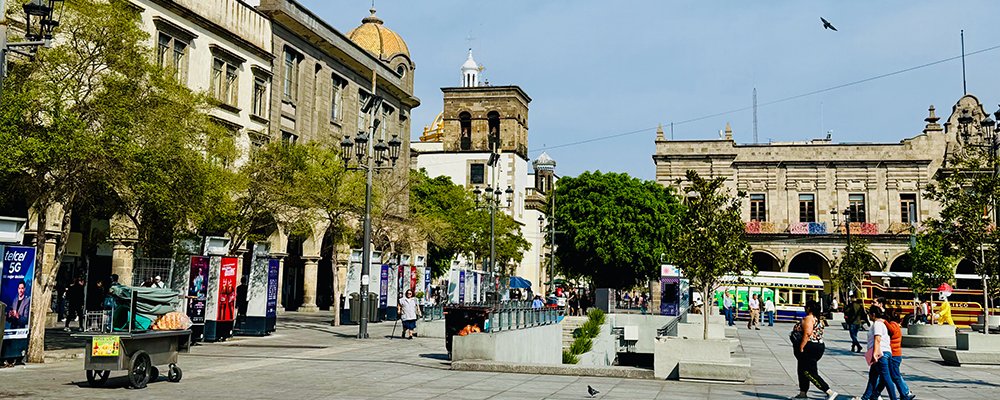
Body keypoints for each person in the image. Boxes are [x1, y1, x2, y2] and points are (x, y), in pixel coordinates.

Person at [791, 300, 838, 400]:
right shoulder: (818, 319)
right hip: (817, 346)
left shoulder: (808, 318)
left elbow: (807, 333)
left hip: (809, 347)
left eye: (806, 306)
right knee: (802, 370)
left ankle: (829, 391)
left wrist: (801, 347)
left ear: (809, 308)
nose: (804, 308)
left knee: (809, 372)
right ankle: (803, 393)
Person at [856, 306, 897, 400]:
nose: (868, 316)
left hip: (880, 353)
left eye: (869, 314)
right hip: (883, 352)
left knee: (886, 378)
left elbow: (877, 339)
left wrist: (875, 353)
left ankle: (893, 398)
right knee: (873, 377)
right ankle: (867, 397)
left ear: (873, 314)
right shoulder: (879, 324)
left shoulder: (877, 324)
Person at [873, 310, 915, 400]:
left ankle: (905, 394)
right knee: (888, 377)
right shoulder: (896, 325)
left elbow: (891, 330)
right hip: (895, 354)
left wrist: (884, 322)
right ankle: (875, 395)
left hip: (894, 355)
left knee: (893, 376)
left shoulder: (893, 325)